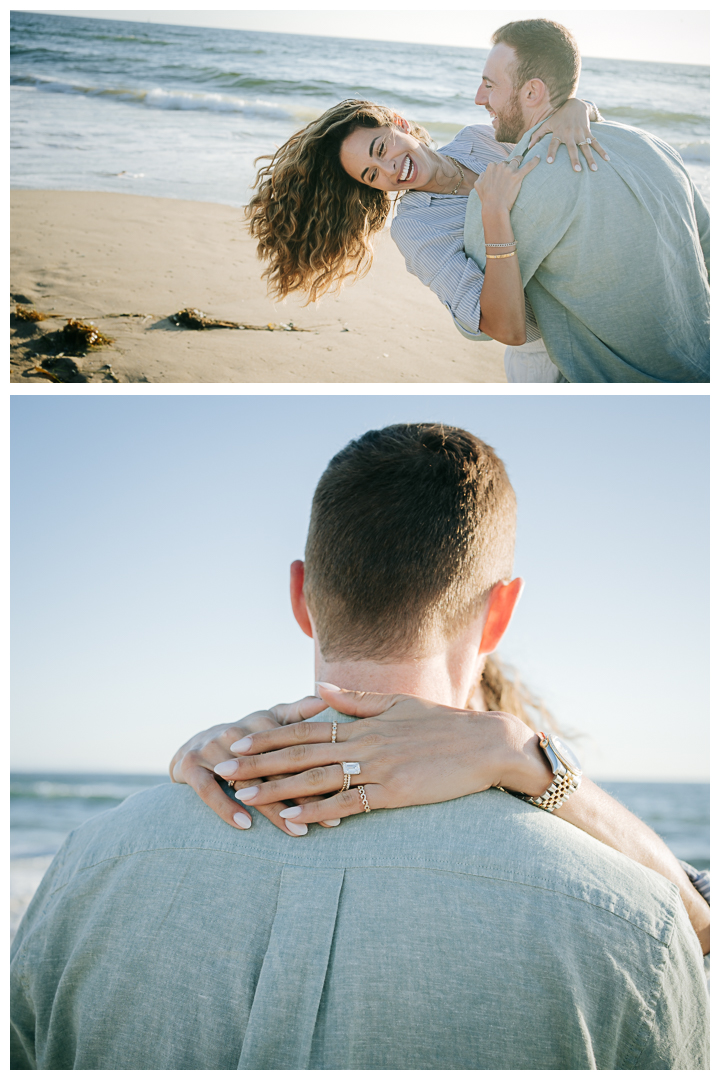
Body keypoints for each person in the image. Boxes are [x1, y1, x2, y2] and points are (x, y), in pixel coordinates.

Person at [12, 423, 709, 1069]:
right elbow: (697, 928)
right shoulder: (633, 925)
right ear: (499, 612)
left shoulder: (92, 859)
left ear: (301, 596)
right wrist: (528, 757)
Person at [247, 94, 607, 383]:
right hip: (550, 362)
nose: (390, 169)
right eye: (372, 174)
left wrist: (576, 107)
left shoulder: (478, 138)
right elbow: (507, 329)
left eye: (382, 148)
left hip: (602, 314)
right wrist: (493, 214)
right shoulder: (416, 228)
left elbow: (556, 144)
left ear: (400, 125)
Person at [462, 18, 710, 381]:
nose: (479, 97)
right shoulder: (655, 146)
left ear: (532, 92)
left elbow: (481, 323)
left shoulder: (510, 190)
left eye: (489, 84)